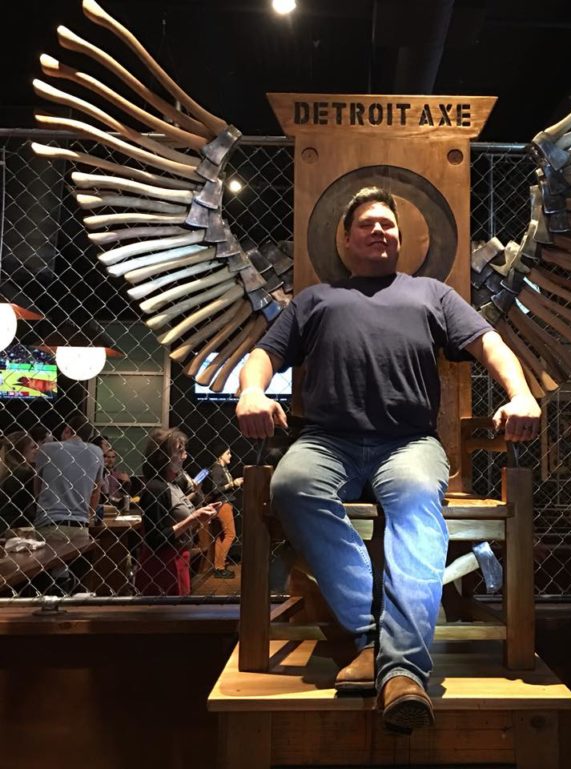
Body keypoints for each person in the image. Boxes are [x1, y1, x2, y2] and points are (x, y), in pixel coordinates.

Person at [236, 187, 541, 733]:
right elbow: (264, 354)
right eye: (368, 224)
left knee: (418, 498)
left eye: (388, 225)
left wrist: (519, 394)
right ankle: (372, 636)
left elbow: (489, 344)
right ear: (345, 238)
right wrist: (252, 392)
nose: (380, 230)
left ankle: (401, 672)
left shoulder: (432, 294)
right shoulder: (315, 299)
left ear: (401, 238)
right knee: (292, 486)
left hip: (408, 442)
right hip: (327, 440)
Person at [135, 427, 219, 596]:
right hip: (162, 567)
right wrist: (193, 519)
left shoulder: (172, 485)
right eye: (179, 451)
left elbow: (177, 514)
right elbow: (155, 539)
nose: (185, 456)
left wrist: (200, 514)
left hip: (177, 560)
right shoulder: (156, 488)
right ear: (163, 457)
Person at [33, 412, 104, 546]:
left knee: (49, 559)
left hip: (50, 521)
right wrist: (89, 516)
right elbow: (96, 491)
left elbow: (37, 486)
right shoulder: (97, 452)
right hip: (80, 523)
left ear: (67, 429)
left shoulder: (47, 449)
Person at [208, 443, 243, 579]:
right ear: (220, 455)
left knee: (221, 536)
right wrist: (233, 484)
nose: (230, 455)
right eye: (227, 453)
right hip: (223, 504)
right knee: (230, 534)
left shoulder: (223, 468)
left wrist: (234, 483)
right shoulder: (217, 468)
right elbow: (216, 489)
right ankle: (220, 566)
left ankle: (219, 566)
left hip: (224, 503)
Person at [0, 430, 39, 533]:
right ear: (21, 450)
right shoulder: (25, 475)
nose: (37, 450)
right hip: (17, 528)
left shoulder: (6, 474)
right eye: (33, 447)